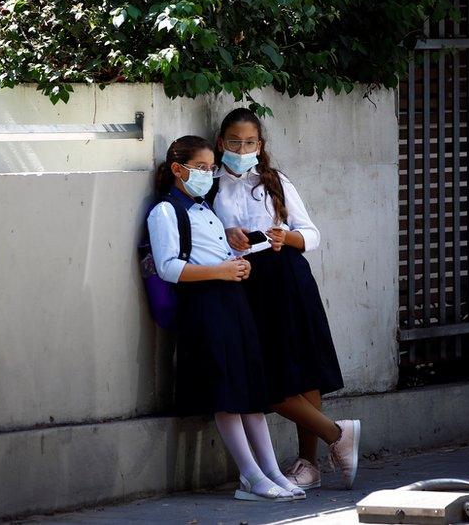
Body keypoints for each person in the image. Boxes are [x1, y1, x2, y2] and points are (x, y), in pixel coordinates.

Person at [210, 108, 361, 490]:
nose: (241, 149)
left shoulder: (274, 181)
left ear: (260, 146)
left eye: (249, 142)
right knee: (265, 378)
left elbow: (310, 234)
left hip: (286, 276)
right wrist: (227, 235)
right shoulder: (208, 184)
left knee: (302, 365)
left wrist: (284, 237)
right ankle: (337, 434)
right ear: (220, 143)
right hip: (242, 284)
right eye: (233, 142)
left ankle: (309, 463)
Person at [147, 135, 304, 501]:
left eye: (209, 168)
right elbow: (169, 267)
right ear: (177, 169)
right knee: (226, 391)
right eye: (200, 168)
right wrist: (220, 272)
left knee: (249, 388)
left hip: (232, 303)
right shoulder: (166, 212)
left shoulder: (205, 208)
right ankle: (250, 475)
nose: (207, 174)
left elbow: (214, 251)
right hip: (204, 307)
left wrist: (237, 262)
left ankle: (272, 471)